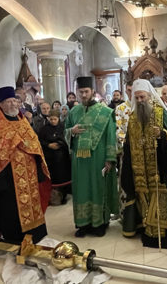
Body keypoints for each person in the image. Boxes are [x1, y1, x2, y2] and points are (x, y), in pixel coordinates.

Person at [120, 79, 167, 248]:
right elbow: (128, 144)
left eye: (142, 97)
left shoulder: (161, 113)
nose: (140, 101)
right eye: (137, 98)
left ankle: (166, 234)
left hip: (160, 171)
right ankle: (147, 231)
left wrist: (161, 134)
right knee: (143, 201)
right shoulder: (132, 118)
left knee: (162, 203)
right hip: (140, 172)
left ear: (149, 96)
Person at [0, 86, 50, 244]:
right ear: (1, 104)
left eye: (14, 101)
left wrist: (38, 168)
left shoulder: (22, 121)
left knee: (32, 205)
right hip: (9, 177)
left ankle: (36, 234)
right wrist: (0, 180)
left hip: (30, 174)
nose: (12, 104)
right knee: (11, 209)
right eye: (8, 102)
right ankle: (15, 238)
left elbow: (34, 143)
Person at [64, 76, 119, 237]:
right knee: (81, 190)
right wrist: (71, 131)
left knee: (98, 188)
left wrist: (109, 158)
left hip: (98, 158)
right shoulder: (73, 112)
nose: (83, 95)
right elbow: (65, 132)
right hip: (79, 161)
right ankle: (83, 224)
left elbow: (110, 136)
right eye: (81, 92)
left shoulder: (105, 112)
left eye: (86, 91)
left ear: (93, 91)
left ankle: (100, 223)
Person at [38, 109, 71, 205]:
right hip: (50, 159)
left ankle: (63, 196)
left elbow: (67, 139)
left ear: (58, 118)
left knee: (63, 178)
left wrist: (59, 143)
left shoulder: (63, 127)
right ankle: (52, 197)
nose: (53, 121)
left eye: (55, 119)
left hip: (62, 159)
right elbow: (39, 141)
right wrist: (48, 145)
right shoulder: (43, 129)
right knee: (52, 179)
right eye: (51, 119)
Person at [114, 82, 133, 147]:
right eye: (129, 90)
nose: (131, 93)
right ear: (126, 91)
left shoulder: (142, 106)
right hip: (126, 144)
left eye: (133, 90)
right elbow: (117, 127)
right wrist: (125, 142)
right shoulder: (120, 108)